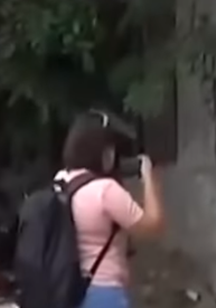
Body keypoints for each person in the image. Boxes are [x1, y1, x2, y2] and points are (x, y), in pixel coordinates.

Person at [54, 112, 165, 308]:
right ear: (102, 150)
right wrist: (148, 176)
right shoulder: (105, 191)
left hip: (69, 289)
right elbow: (153, 225)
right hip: (105, 291)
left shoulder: (61, 180)